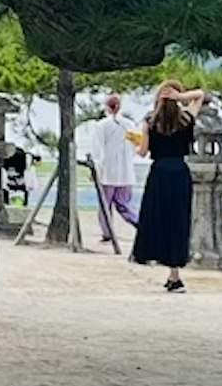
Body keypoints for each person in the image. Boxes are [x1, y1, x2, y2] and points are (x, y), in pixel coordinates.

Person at [129, 80, 196, 293]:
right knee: (178, 221)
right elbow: (201, 95)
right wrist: (181, 98)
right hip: (180, 173)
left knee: (157, 218)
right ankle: (174, 273)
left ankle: (156, 259)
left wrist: (134, 142)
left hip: (159, 173)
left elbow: (142, 152)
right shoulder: (186, 120)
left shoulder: (150, 121)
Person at [77, 89, 139, 253]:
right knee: (124, 204)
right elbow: (135, 145)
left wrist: (96, 170)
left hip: (108, 173)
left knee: (105, 205)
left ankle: (108, 232)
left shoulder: (101, 126)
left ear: (107, 107)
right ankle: (139, 222)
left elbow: (98, 152)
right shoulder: (130, 125)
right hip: (126, 171)